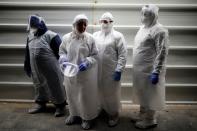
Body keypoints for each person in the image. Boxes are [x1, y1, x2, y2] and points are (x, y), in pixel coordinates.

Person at [59, 14, 99, 130]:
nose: (83, 26)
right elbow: (62, 51)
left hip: (85, 75)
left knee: (85, 97)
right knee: (71, 95)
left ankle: (87, 118)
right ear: (74, 25)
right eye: (80, 24)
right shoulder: (66, 38)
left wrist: (88, 62)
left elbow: (96, 55)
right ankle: (74, 114)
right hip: (70, 73)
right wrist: (63, 58)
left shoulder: (90, 38)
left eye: (85, 24)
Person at [132, 4, 169, 129]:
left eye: (146, 14)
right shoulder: (143, 28)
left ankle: (150, 119)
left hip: (150, 70)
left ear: (153, 15)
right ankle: (143, 115)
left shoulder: (160, 30)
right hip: (140, 70)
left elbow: (162, 52)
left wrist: (156, 71)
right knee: (143, 93)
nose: (143, 17)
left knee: (151, 95)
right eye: (142, 14)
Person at [24, 14, 66, 117]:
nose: (32, 28)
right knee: (39, 85)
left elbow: (61, 53)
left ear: (40, 24)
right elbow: (27, 52)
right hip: (36, 69)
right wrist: (27, 65)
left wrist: (64, 65)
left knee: (54, 86)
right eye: (31, 26)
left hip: (51, 70)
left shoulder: (51, 35)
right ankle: (41, 104)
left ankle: (60, 106)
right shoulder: (30, 37)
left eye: (34, 26)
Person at [93, 12, 127, 127]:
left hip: (111, 71)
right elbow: (91, 52)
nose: (105, 24)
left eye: (107, 21)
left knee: (111, 93)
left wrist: (119, 70)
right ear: (100, 22)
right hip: (97, 71)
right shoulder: (95, 35)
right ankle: (102, 108)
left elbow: (123, 55)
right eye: (103, 21)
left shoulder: (118, 36)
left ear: (112, 22)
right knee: (99, 91)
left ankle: (113, 113)